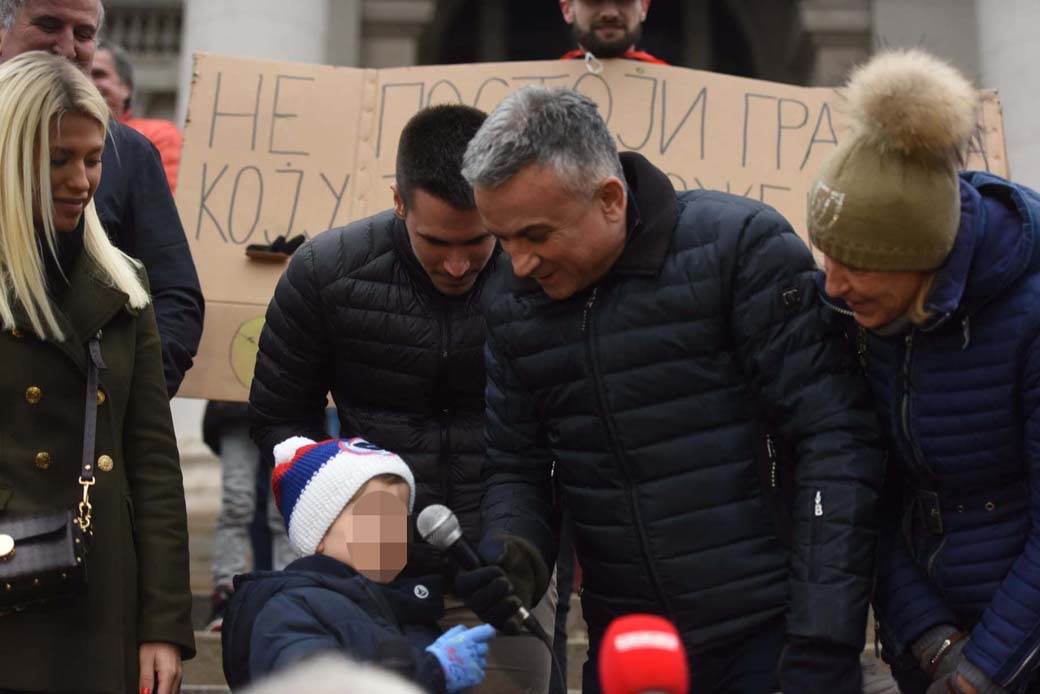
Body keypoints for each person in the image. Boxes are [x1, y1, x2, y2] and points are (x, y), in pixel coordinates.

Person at [455, 85, 887, 693]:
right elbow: (516, 465)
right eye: (503, 240)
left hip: (773, 637)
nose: (519, 262)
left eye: (536, 236)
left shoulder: (740, 249)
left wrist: (822, 632)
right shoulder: (510, 299)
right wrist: (512, 551)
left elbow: (834, 440)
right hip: (627, 645)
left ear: (609, 199)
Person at [249, 103, 558, 693]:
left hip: (503, 568)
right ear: (399, 202)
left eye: (479, 240)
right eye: (437, 241)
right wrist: (343, 519)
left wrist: (519, 551)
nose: (459, 264)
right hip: (368, 576)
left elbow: (560, 426)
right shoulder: (325, 273)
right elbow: (279, 420)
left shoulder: (539, 275)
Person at [811, 48, 1040, 694]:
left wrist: (982, 672)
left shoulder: (1029, 318)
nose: (832, 284)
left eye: (854, 261)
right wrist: (933, 640)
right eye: (825, 255)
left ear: (921, 258)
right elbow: (868, 492)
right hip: (931, 650)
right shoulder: (859, 321)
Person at [0, 51, 194, 693]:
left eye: (92, 158)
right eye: (58, 159)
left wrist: (162, 625)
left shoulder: (125, 285)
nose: (81, 180)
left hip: (98, 591)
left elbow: (155, 468)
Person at [0, 0, 204, 397]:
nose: (67, 47)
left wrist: (120, 402)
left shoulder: (131, 154)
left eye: (83, 34)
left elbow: (173, 297)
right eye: (48, 24)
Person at [224, 437, 495, 693]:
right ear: (317, 534)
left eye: (399, 520)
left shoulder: (404, 607)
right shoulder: (289, 608)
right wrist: (431, 671)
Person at [202, 400, 294, 631]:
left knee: (284, 508)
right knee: (238, 504)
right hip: (237, 405)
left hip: (285, 408)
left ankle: (289, 592)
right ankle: (225, 596)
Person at [91, 39, 183, 191]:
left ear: (126, 87)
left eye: (99, 74)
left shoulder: (158, 135)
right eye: (81, 73)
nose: (88, 82)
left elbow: (167, 202)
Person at [558, 0, 665, 65]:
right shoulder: (546, 85)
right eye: (595, 1)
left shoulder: (676, 86)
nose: (610, 14)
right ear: (567, 10)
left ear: (644, 8)